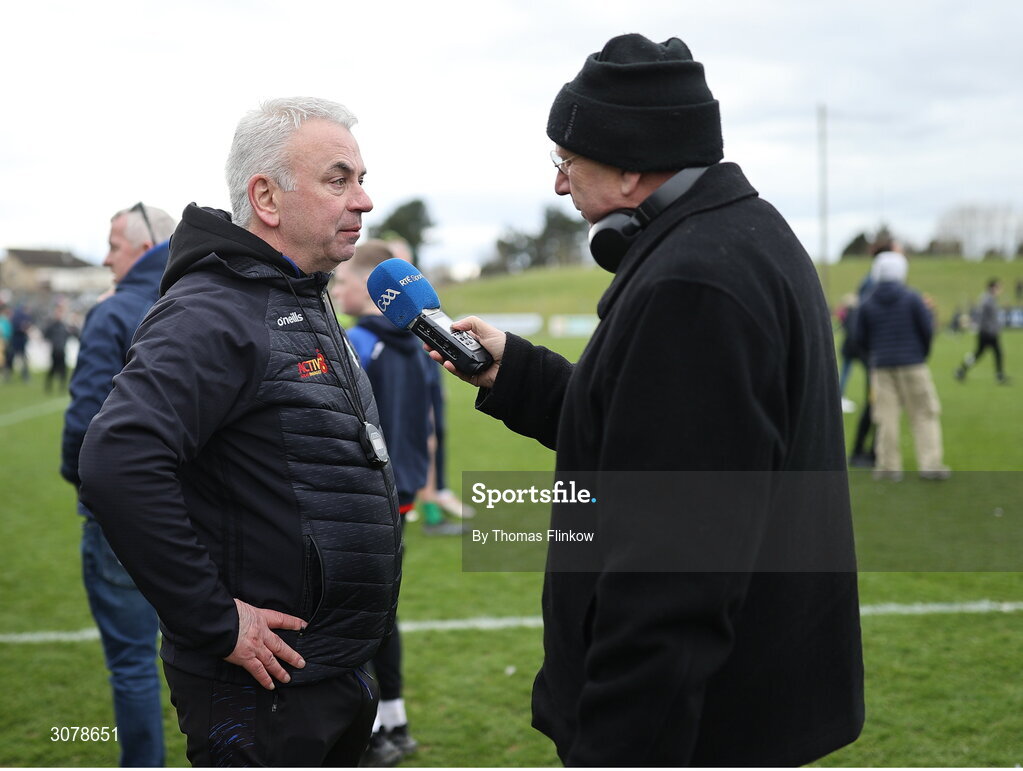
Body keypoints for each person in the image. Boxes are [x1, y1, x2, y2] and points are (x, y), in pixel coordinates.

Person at [429, 34, 863, 767]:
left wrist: (616, 748)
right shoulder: (739, 237)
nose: (559, 185)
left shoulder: (692, 285)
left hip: (700, 729)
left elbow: (671, 567)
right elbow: (647, 428)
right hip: (739, 708)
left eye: (567, 162)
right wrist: (521, 376)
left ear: (631, 166)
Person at [78, 97, 402, 768]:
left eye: (361, 178)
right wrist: (216, 619)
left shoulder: (295, 294)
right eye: (339, 179)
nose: (364, 200)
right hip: (261, 691)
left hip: (325, 673)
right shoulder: (213, 309)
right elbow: (117, 460)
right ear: (267, 198)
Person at [60, 203, 175, 767]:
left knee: (132, 663)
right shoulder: (200, 305)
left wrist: (83, 486)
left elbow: (82, 431)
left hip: (120, 517)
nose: (106, 257)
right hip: (196, 511)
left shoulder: (114, 313)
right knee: (220, 651)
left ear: (145, 244)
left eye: (112, 244)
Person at [331, 239, 435, 766]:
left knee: (357, 613)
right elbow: (431, 422)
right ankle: (391, 719)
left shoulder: (355, 344)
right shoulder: (419, 341)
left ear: (370, 287)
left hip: (366, 493)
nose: (335, 288)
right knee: (380, 610)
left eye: (343, 280)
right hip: (402, 493)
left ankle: (375, 727)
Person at [854, 250, 951, 481]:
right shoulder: (912, 298)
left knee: (885, 417)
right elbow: (926, 330)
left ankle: (888, 467)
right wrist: (921, 353)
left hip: (881, 366)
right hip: (912, 363)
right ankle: (930, 465)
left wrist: (874, 357)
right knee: (924, 413)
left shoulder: (867, 301)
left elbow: (859, 337)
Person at [955, 278, 1009, 384]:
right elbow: (981, 316)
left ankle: (961, 370)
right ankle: (999, 376)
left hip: (989, 332)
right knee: (994, 353)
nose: (1000, 290)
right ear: (993, 287)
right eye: (998, 287)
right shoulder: (987, 300)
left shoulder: (990, 299)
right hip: (987, 333)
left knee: (982, 354)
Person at [43, 301, 74, 394]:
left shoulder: (64, 326)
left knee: (63, 370)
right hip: (55, 350)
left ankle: (62, 388)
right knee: (52, 369)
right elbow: (45, 334)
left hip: (62, 350)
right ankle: (48, 386)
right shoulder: (52, 326)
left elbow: (71, 334)